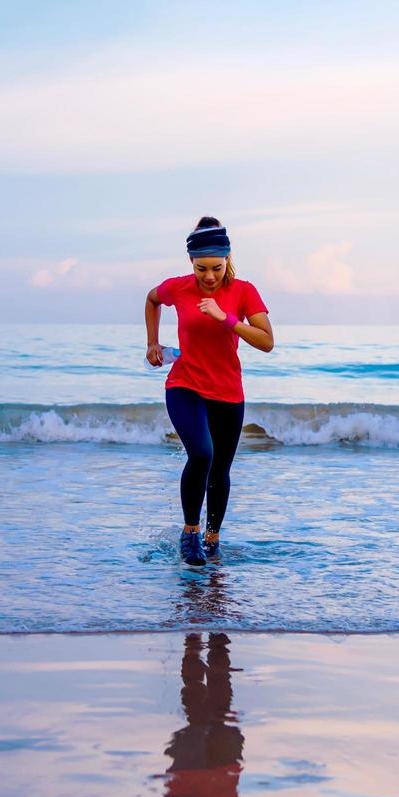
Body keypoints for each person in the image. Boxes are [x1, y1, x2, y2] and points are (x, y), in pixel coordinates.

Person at [145, 217, 274, 566]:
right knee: (201, 454)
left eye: (216, 267)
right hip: (184, 385)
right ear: (191, 262)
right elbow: (152, 299)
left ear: (228, 258)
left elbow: (267, 342)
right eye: (202, 268)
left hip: (228, 393)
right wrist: (153, 343)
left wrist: (227, 320)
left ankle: (212, 539)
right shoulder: (179, 287)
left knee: (220, 470)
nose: (210, 276)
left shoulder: (243, 291)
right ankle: (190, 535)